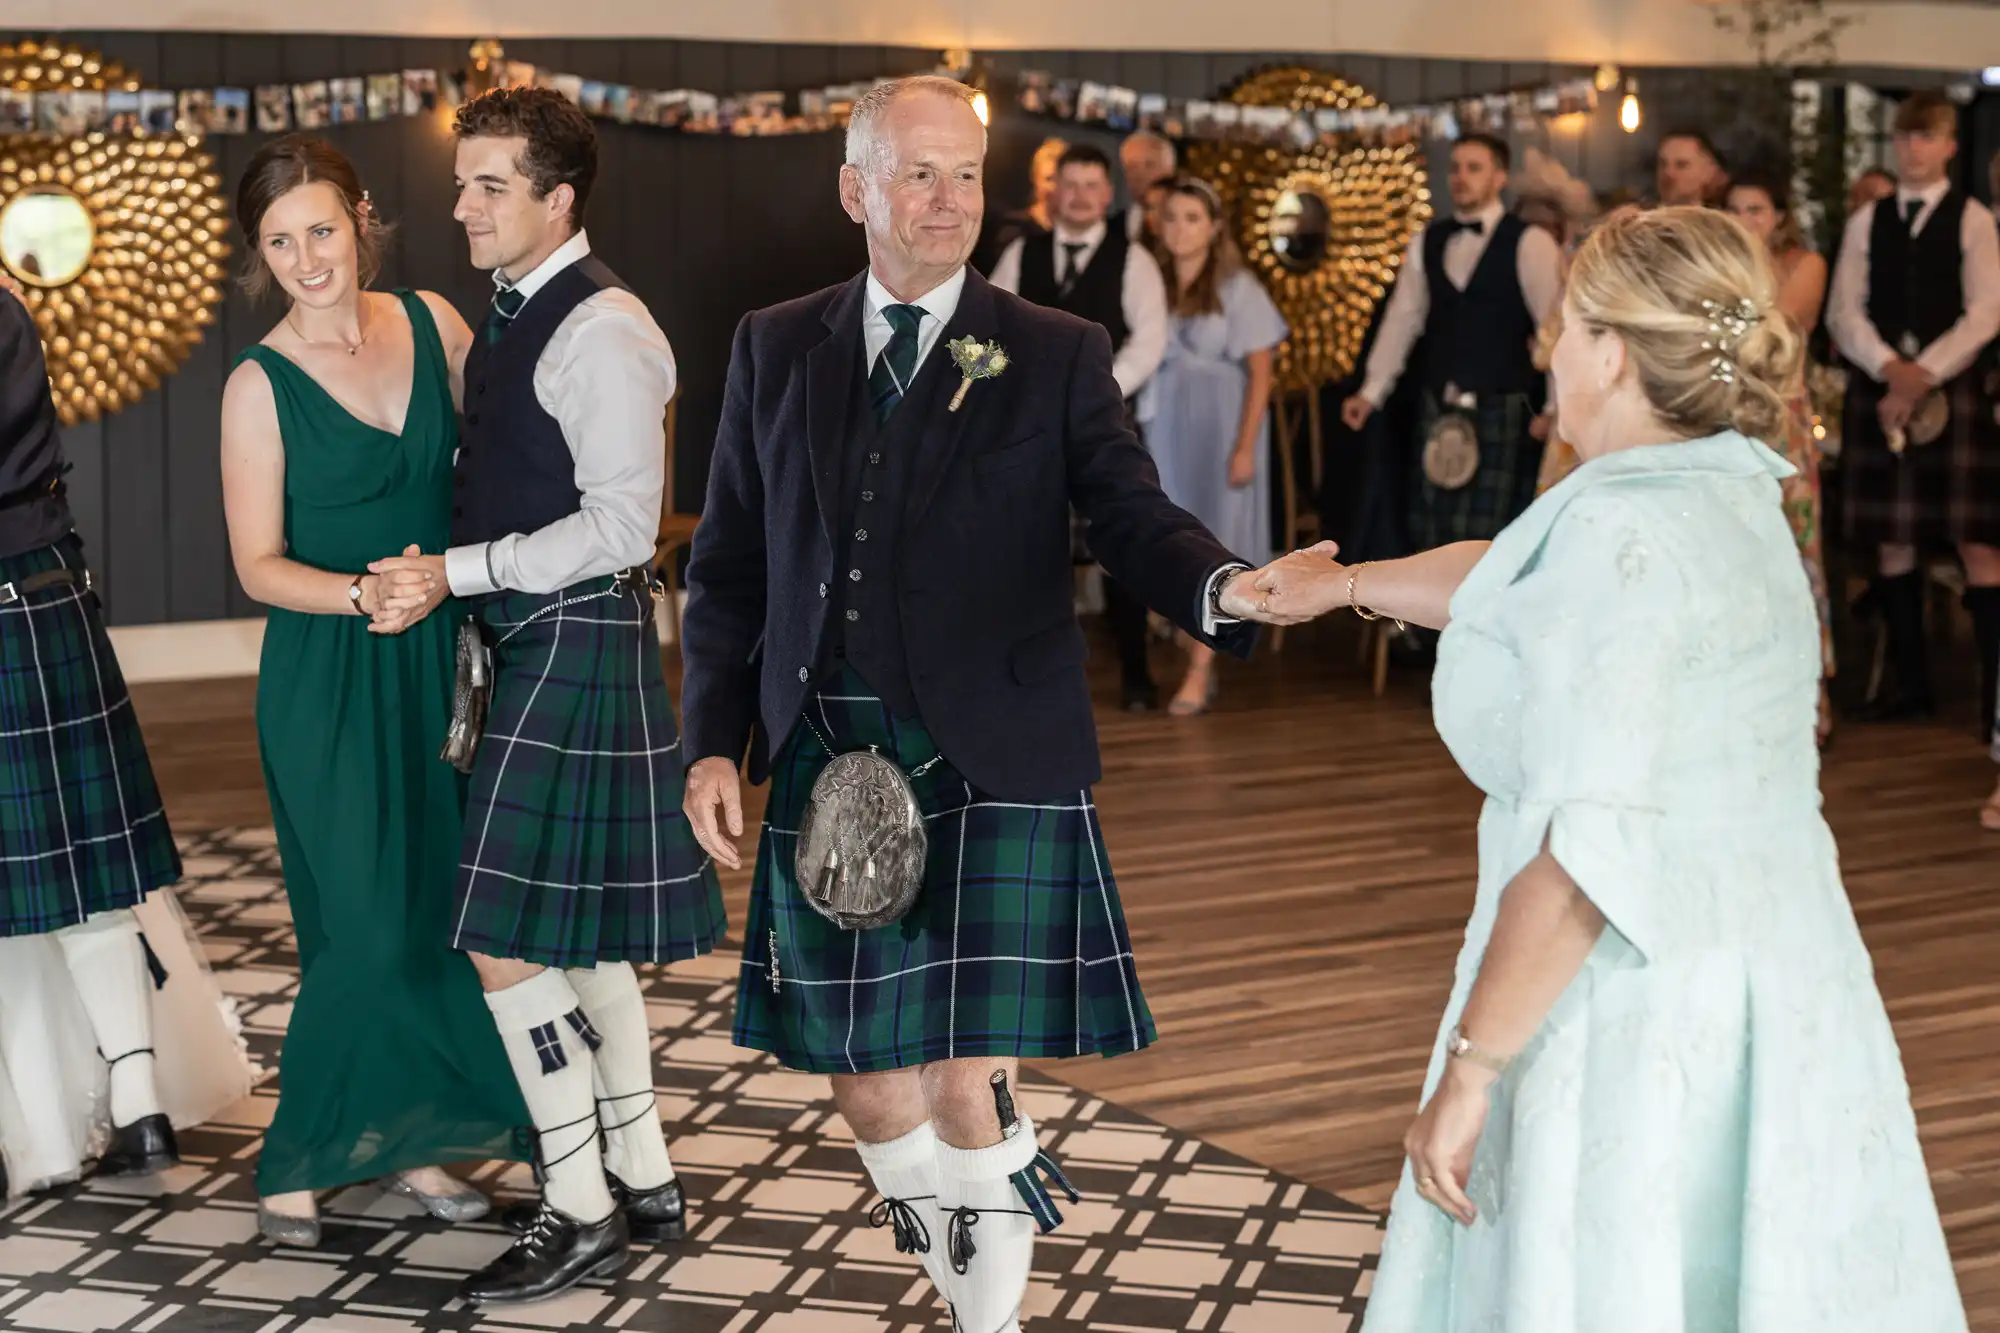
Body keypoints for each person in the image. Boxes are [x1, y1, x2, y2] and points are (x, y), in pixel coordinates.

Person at [1250, 205, 1970, 1333]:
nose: (1549, 347)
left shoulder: (1618, 536)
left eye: (1567, 325)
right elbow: (1513, 575)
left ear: (1615, 352)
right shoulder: (1728, 492)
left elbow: (1587, 853)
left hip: (1634, 1000)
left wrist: (1473, 1071)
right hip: (1772, 966)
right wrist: (1347, 583)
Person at [679, 76, 1259, 1333]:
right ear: (857, 190)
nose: (948, 202)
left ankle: (983, 1323)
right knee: (872, 1090)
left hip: (995, 754)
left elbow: (1127, 511)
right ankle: (963, 1276)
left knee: (961, 1083)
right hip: (827, 749)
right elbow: (726, 563)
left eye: (965, 175)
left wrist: (1230, 587)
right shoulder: (775, 344)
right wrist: (710, 742)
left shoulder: (1051, 348)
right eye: (919, 174)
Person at [365, 87, 727, 1305]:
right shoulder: (519, 307)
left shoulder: (603, 328)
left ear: (556, 198)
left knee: (506, 943)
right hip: (538, 641)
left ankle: (577, 1209)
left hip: (574, 636)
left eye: (489, 186)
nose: (460, 205)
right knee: (578, 941)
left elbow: (623, 526)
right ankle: (643, 1171)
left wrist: (456, 571)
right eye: (460, 181)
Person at [219, 135, 529, 1248]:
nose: (307, 258)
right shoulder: (258, 385)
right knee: (357, 925)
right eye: (279, 241)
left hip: (443, 659)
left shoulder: (436, 322)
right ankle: (296, 1158)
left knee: (437, 917)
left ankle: (419, 1142)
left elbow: (497, 466)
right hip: (331, 676)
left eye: (320, 229)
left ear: (359, 218)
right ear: (260, 253)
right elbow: (255, 563)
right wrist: (362, 595)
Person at [0, 279, 248, 1198]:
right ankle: (137, 1108)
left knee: (55, 871)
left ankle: (75, 1124)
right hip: (44, 595)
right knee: (81, 869)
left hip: (13, 599)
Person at [1826, 90, 2000, 761]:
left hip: (1951, 396)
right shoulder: (1868, 221)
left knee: (1979, 545)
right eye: (1902, 139)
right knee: (1892, 543)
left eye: (1924, 138)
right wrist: (1888, 366)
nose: (1911, 150)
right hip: (1883, 391)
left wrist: (1921, 372)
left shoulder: (1975, 219)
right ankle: (1911, 687)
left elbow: (1986, 314)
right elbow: (1845, 311)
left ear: (1951, 145)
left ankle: (1992, 704)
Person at [991, 142, 1172, 711]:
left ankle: (1137, 673)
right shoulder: (1023, 253)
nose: (1081, 196)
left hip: (1108, 425)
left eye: (1094, 186)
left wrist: (1095, 392)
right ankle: (1030, 680)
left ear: (1108, 195)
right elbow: (990, 323)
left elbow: (1150, 342)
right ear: (1052, 191)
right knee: (1029, 549)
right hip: (1031, 427)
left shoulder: (1134, 259)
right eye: (1071, 185)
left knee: (1121, 544)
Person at [1341, 134, 1563, 555]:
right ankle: (1428, 624)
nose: (1461, 177)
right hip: (1438, 404)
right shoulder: (1428, 239)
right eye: (1455, 167)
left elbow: (1555, 331)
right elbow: (1403, 319)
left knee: (1491, 537)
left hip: (1503, 409)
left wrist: (1555, 408)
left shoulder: (1530, 242)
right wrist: (1371, 391)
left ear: (1499, 177)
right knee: (1431, 533)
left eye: (1474, 168)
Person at [1141, 175, 1288, 714]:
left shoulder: (1237, 286)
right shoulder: (1150, 279)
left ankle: (1200, 668)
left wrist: (1246, 445)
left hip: (1222, 426)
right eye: (1172, 217)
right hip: (1165, 425)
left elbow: (1262, 373)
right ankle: (1190, 644)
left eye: (1193, 218)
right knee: (1172, 534)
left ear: (1215, 228)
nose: (1179, 229)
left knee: (1217, 540)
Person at [1728, 171, 1836, 744]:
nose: (1746, 221)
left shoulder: (1803, 266)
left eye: (1756, 210)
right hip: (1727, 425)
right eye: (1735, 211)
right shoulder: (1720, 270)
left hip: (1782, 426)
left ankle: (1814, 695)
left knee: (1796, 556)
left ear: (1778, 216)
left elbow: (1771, 332)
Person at [973, 135, 1066, 274]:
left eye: (1062, 180)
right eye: (1049, 179)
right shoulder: (1013, 230)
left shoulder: (1072, 235)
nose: (1054, 187)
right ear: (1036, 178)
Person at [1118, 130, 1177, 243]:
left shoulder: (1187, 228)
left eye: (1149, 165)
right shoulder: (1112, 229)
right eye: (1132, 167)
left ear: (1171, 169)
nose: (1140, 175)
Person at [1656, 128, 1727, 208]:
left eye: (1681, 165)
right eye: (1663, 164)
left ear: (1709, 171)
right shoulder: (1642, 219)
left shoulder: (1720, 220)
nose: (1668, 172)